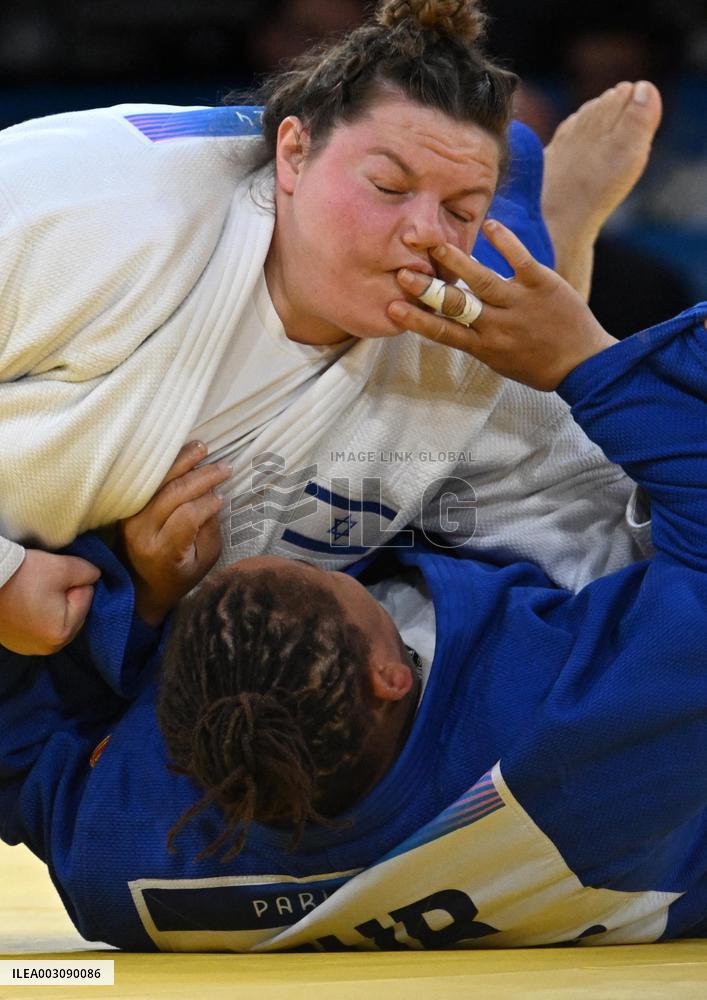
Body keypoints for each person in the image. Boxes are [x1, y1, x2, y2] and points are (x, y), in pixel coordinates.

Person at [1, 229, 705, 952]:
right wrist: (586, 359)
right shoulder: (595, 725)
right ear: (390, 673)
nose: (319, 564)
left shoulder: (123, 856)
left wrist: (144, 603)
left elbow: (20, 752)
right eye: (318, 584)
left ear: (176, 736)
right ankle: (559, 237)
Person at [0, 0, 662, 656]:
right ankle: (541, 231)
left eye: (460, 209)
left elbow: (636, 551)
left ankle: (546, 242)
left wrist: (590, 361)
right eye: (386, 186)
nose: (424, 233)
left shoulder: (458, 351)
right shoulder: (87, 204)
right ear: (293, 152)